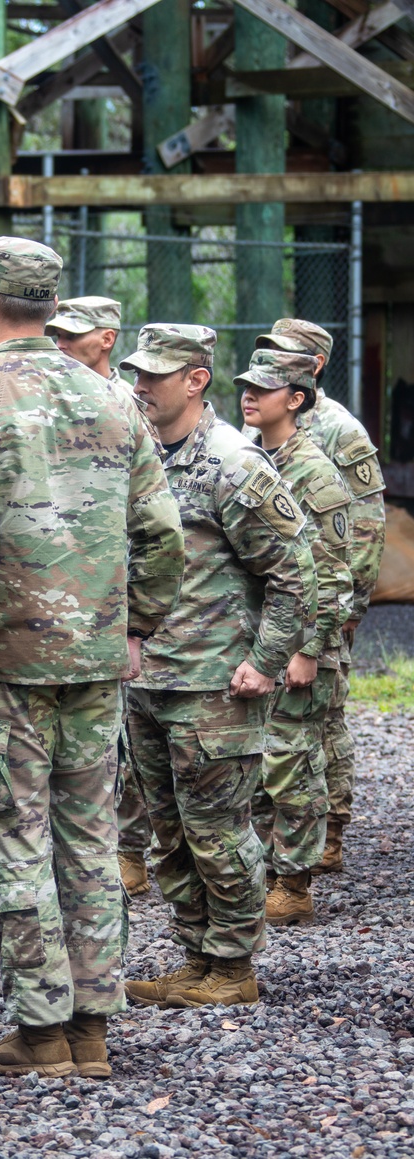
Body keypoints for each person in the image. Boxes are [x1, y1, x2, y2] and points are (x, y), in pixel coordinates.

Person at [0, 238, 183, 1078]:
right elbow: (164, 533)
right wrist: (137, 627)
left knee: (12, 837)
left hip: (6, 665)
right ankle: (92, 1030)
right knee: (89, 838)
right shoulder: (114, 401)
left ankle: (40, 1033)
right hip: (96, 659)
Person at [119, 324, 316, 1011]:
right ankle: (197, 955)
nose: (140, 385)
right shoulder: (141, 453)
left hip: (214, 687)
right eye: (136, 373)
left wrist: (266, 663)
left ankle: (232, 965)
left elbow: (296, 571)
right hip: (147, 678)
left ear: (196, 379)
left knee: (217, 831)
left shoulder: (233, 463)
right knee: (170, 832)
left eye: (155, 375)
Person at [253, 319, 386, 874]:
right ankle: (282, 843)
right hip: (275, 612)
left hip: (323, 608)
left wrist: (342, 614)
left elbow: (364, 530)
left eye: (286, 357)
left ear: (314, 367)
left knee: (320, 724)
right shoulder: (258, 433)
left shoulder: (338, 432)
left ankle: (327, 834)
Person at [46, 295, 156, 897]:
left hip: (119, 600)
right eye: (55, 331)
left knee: (129, 741)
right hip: (61, 595)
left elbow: (152, 518)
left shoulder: (127, 407)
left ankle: (129, 854)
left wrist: (140, 615)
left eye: (74, 334)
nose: (60, 342)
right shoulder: (47, 398)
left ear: (107, 339)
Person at [239, 349, 352, 924]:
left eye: (265, 388)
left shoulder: (314, 470)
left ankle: (296, 883)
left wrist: (310, 649)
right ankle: (264, 869)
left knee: (292, 760)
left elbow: (334, 569)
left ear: (298, 399)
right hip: (261, 637)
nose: (249, 395)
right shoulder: (253, 457)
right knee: (258, 763)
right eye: (247, 385)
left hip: (303, 644)